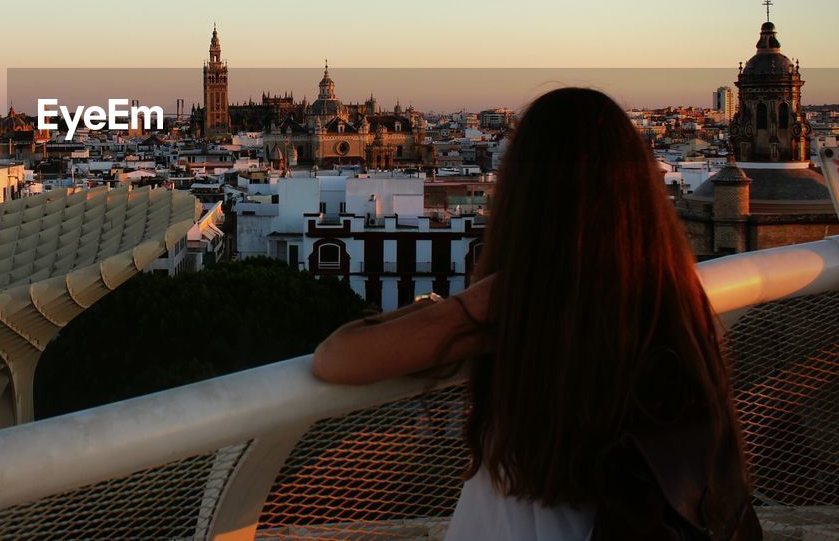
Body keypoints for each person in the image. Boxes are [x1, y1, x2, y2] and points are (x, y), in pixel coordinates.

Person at [311, 87, 760, 540]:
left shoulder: (528, 301)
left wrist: (461, 305)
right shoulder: (680, 299)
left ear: (526, 192)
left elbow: (336, 356)